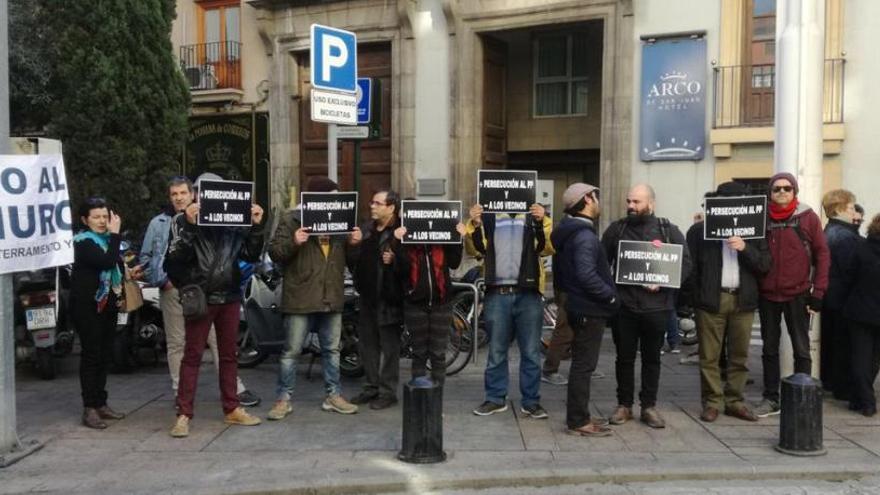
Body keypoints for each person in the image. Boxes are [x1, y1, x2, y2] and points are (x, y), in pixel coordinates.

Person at [140, 176, 260, 408]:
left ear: (193, 194)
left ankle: (235, 390)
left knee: (219, 343)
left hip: (205, 291)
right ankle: (180, 394)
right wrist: (163, 280)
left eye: (183, 193)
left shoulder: (210, 219)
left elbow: (234, 251)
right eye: (174, 194)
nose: (179, 198)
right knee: (179, 344)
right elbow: (149, 257)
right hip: (173, 289)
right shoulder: (160, 222)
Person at [164, 172, 266, 437]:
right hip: (202, 296)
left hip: (229, 295)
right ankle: (184, 413)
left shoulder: (234, 221)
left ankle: (232, 408)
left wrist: (256, 226)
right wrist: (190, 225)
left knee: (229, 354)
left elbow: (250, 255)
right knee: (192, 355)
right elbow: (173, 261)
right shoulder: (182, 220)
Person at [266, 176, 360, 420]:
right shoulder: (291, 219)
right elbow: (275, 253)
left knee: (332, 349)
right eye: (331, 198)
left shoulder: (341, 222)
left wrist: (354, 244)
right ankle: (283, 399)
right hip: (301, 296)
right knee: (291, 351)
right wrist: (294, 242)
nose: (335, 202)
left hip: (331, 295)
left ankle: (334, 395)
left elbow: (352, 261)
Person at [601, 183, 691, 429]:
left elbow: (685, 264)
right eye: (629, 201)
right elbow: (601, 262)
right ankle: (624, 405)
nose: (631, 206)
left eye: (637, 202)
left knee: (652, 359)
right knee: (624, 359)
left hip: (657, 308)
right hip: (625, 307)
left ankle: (648, 406)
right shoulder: (617, 230)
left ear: (650, 203)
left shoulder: (668, 230)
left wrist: (663, 283)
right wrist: (611, 293)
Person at [686, 181, 771, 423]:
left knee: (739, 356)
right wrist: (696, 299)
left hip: (742, 300)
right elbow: (691, 268)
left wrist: (745, 247)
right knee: (709, 357)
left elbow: (765, 265)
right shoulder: (700, 231)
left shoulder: (757, 231)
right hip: (711, 300)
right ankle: (712, 401)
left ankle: (734, 401)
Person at [466, 199, 554, 419]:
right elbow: (475, 251)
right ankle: (495, 398)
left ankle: (531, 401)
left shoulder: (535, 218)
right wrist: (474, 225)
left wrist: (543, 220)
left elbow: (548, 248)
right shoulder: (489, 217)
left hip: (529, 294)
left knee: (531, 352)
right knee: (496, 351)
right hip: (498, 293)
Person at [754, 172, 830, 418]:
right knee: (769, 349)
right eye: (777, 189)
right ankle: (770, 398)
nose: (782, 192)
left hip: (798, 294)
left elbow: (822, 255)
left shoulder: (808, 218)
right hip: (767, 295)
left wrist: (818, 292)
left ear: (794, 191)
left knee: (801, 348)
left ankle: (802, 395)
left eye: (787, 188)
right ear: (770, 193)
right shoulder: (761, 218)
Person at [551, 183, 617, 436]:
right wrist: (610, 297)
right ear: (588, 199)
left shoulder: (568, 232)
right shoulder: (585, 236)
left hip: (577, 305)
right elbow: (587, 275)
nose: (598, 201)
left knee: (581, 363)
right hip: (590, 308)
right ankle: (579, 420)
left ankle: (580, 416)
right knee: (583, 365)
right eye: (596, 197)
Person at [71, 198, 142, 429]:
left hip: (107, 306)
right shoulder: (83, 242)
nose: (102, 221)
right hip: (87, 307)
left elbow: (116, 265)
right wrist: (115, 235)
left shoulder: (107, 240)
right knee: (91, 355)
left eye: (105, 216)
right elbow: (106, 261)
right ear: (85, 220)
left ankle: (101, 403)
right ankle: (89, 407)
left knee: (104, 355)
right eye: (96, 217)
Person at [348, 190, 406, 410]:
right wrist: (353, 245)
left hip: (389, 297)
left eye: (377, 203)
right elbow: (353, 261)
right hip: (367, 296)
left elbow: (408, 263)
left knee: (390, 348)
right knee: (368, 346)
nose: (372, 206)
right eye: (371, 202)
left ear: (391, 208)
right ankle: (370, 387)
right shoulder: (367, 228)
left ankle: (387, 391)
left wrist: (395, 256)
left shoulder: (399, 230)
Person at [393, 220, 466, 385]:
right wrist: (398, 243)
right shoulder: (408, 243)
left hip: (441, 303)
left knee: (438, 354)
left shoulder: (441, 241)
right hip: (415, 304)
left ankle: (436, 399)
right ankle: (419, 396)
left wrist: (459, 239)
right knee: (419, 353)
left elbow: (454, 263)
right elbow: (401, 270)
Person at [819, 189, 861, 401]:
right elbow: (850, 270)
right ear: (840, 208)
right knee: (842, 344)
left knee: (830, 341)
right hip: (842, 297)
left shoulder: (829, 232)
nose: (855, 212)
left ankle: (829, 379)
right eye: (852, 207)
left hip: (829, 296)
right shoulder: (846, 236)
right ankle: (840, 385)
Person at [842, 214, 880, 417]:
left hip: (859, 311)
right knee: (873, 360)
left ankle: (862, 399)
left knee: (860, 357)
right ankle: (864, 399)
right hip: (865, 312)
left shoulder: (861, 247)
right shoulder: (861, 248)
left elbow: (849, 277)